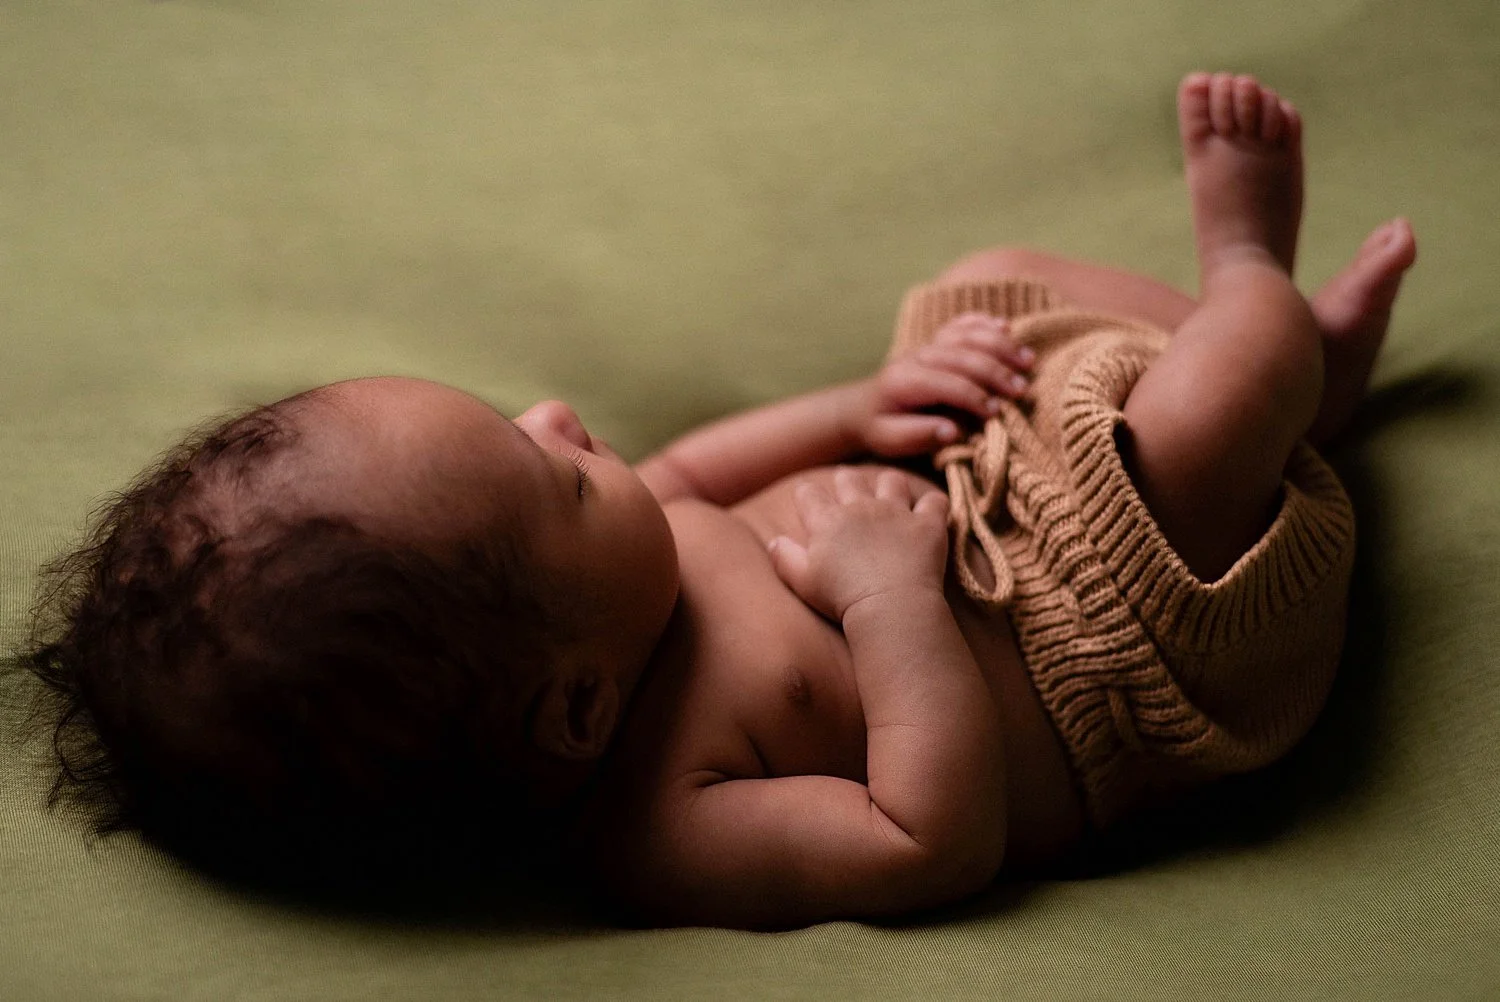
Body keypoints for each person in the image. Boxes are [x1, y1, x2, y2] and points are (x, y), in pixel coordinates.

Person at [20, 73, 1416, 928]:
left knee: (985, 282)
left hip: (980, 475)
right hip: (1108, 636)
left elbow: (692, 473)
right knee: (1209, 407)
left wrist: (858, 411)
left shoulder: (614, 579)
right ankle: (1251, 277)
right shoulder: (664, 827)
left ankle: (1304, 384)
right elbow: (926, 839)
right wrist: (886, 602)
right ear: (573, 706)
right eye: (557, 474)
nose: (563, 419)